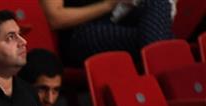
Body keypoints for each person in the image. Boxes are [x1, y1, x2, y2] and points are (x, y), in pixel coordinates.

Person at [40, 0, 172, 64]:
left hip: (116, 21)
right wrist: (108, 5)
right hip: (79, 33)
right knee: (158, 38)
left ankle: (160, 69)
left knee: (159, 2)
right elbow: (55, 19)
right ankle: (164, 81)